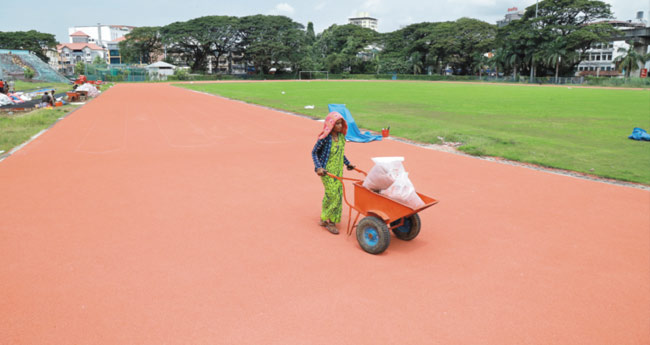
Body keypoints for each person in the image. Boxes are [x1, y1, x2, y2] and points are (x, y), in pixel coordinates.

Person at [311, 111, 355, 234]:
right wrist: (318, 167)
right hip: (326, 171)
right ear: (331, 125)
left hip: (338, 171)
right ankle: (331, 222)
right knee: (333, 194)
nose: (340, 126)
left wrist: (348, 163)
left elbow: (340, 153)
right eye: (337, 124)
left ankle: (325, 218)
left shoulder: (341, 137)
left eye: (341, 124)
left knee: (335, 194)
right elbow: (314, 152)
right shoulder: (324, 138)